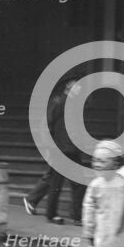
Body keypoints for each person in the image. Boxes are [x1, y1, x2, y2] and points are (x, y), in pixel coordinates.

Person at [23, 72, 85, 225]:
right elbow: (47, 125)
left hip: (72, 149)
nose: (80, 87)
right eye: (77, 84)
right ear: (68, 85)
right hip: (60, 149)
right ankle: (51, 214)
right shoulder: (58, 102)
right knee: (56, 183)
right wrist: (50, 148)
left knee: (79, 182)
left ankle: (78, 216)